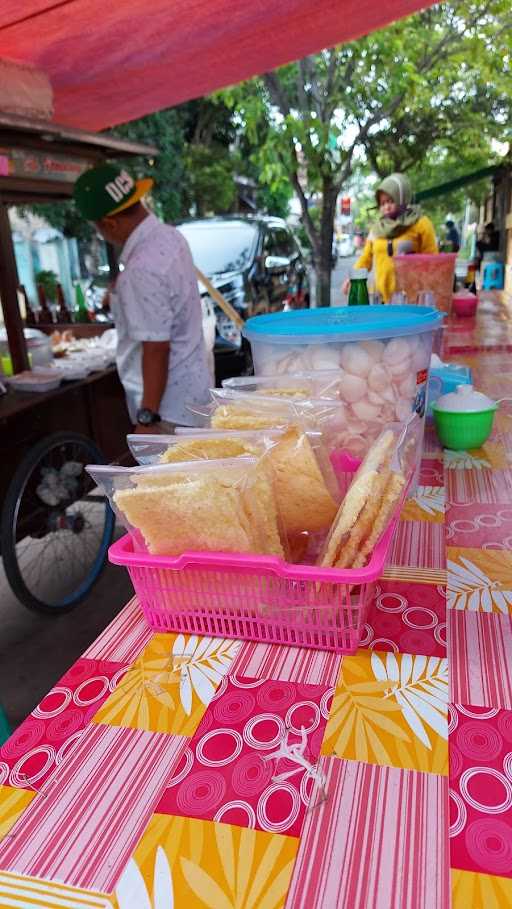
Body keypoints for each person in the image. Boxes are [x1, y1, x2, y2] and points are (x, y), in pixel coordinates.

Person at [73, 164, 212, 433]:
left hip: (169, 411)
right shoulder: (172, 237)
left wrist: (148, 417)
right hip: (193, 393)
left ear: (110, 223)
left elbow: (156, 348)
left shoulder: (140, 270)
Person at [343, 173, 438, 303]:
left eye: (390, 201)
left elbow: (432, 259)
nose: (386, 206)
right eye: (382, 203)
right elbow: (366, 259)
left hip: (411, 300)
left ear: (402, 198)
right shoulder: (376, 230)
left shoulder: (420, 223)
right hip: (382, 300)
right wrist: (352, 278)